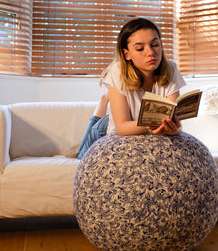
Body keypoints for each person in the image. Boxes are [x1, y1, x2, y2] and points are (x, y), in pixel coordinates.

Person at [77, 17, 186, 159]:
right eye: (140, 48)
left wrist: (173, 130)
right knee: (81, 158)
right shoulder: (117, 71)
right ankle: (104, 99)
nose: (151, 52)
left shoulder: (170, 68)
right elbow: (122, 128)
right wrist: (155, 123)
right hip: (106, 129)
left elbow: (174, 122)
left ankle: (106, 96)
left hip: (138, 125)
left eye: (155, 44)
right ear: (126, 54)